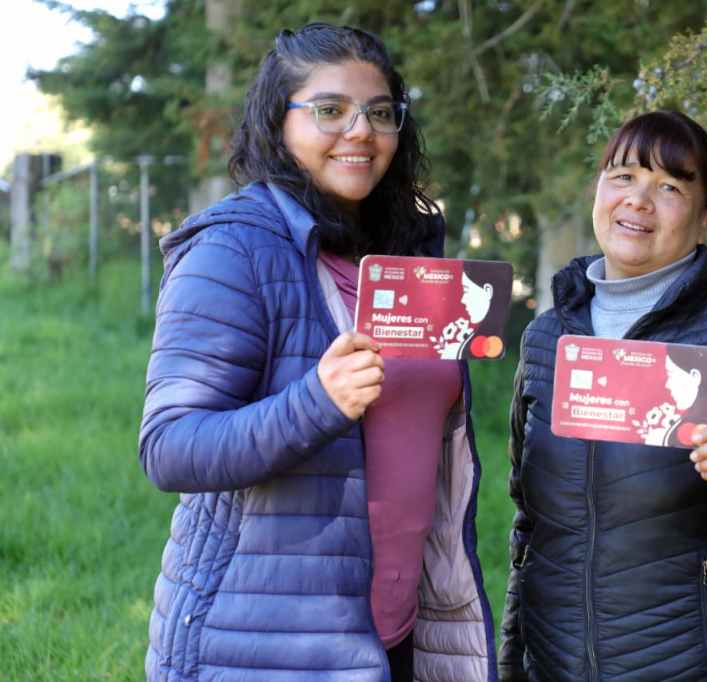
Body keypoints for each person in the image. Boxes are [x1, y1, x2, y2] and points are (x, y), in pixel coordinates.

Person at [138, 24, 496, 682]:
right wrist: (315, 403)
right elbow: (170, 447)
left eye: (380, 112)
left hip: (396, 629)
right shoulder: (232, 249)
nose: (360, 131)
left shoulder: (407, 254)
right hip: (266, 643)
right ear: (279, 123)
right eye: (328, 110)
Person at [499, 110, 707, 681]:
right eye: (624, 176)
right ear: (599, 190)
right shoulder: (547, 334)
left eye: (670, 187)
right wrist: (514, 662)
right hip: (554, 664)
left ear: (705, 218)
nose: (639, 200)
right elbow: (528, 525)